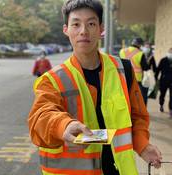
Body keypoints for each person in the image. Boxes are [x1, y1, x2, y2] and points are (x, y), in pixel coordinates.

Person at [28, 0, 162, 174]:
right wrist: (63, 125)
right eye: (76, 24)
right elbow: (40, 117)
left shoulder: (124, 70)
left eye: (91, 23)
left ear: (101, 29)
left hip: (117, 170)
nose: (84, 31)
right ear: (66, 30)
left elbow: (137, 117)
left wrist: (143, 145)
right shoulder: (52, 80)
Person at [119, 37, 150, 105]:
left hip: (123, 77)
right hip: (136, 79)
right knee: (137, 98)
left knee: (125, 96)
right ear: (139, 45)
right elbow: (145, 68)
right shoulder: (140, 54)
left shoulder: (122, 51)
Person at [155, 48, 172, 118]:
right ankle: (161, 105)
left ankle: (171, 109)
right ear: (168, 53)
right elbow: (158, 70)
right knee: (162, 94)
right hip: (163, 81)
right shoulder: (163, 60)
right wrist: (156, 79)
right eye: (170, 52)